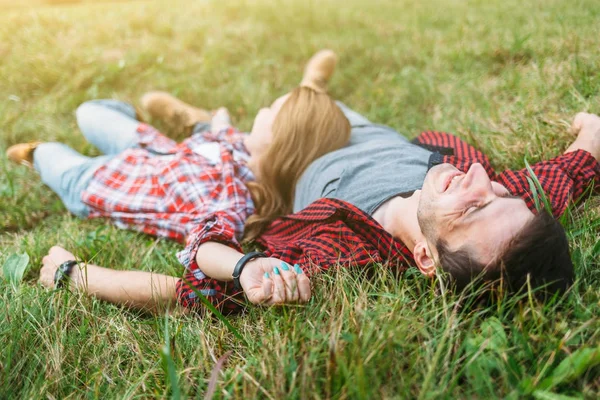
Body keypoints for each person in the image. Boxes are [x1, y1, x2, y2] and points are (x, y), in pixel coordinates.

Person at [7, 51, 351, 312]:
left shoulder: (233, 197)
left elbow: (207, 247)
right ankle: (193, 120)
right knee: (88, 112)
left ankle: (36, 154)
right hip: (152, 148)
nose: (263, 109)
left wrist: (241, 265)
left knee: (49, 153)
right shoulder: (243, 145)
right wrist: (218, 125)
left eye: (271, 109)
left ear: (278, 140)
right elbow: (233, 134)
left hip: (101, 185)